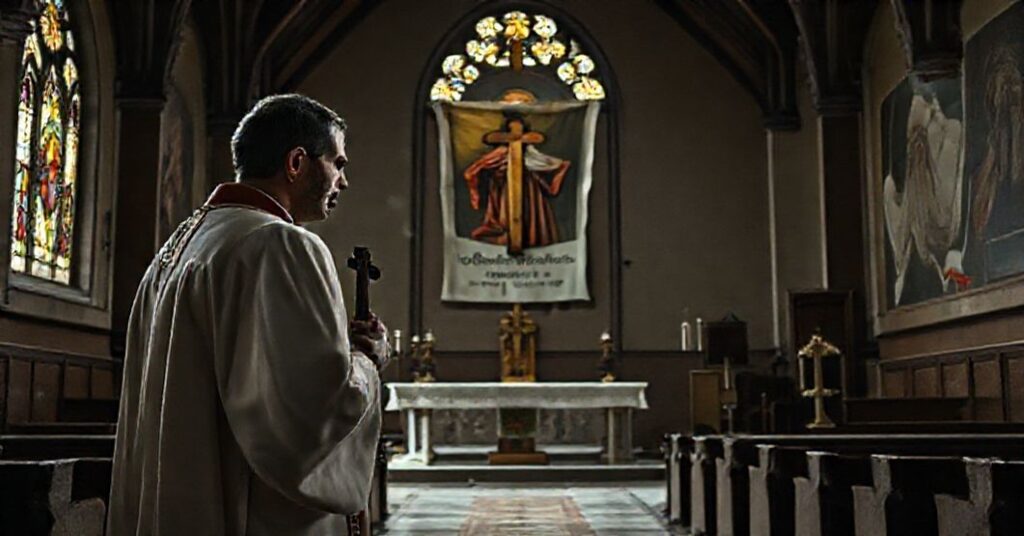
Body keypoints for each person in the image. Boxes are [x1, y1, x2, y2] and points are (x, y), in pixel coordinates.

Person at [107, 94, 389, 535]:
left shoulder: (182, 245)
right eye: (337, 163)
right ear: (297, 162)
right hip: (254, 514)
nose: (343, 181)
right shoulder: (280, 245)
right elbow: (311, 418)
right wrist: (368, 362)